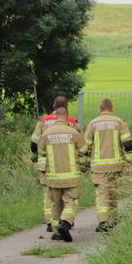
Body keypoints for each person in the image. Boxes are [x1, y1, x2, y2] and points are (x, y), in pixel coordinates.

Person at [81, 98, 132, 232]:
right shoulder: (119, 122)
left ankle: (103, 221)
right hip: (116, 165)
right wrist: (129, 163)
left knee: (102, 193)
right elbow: (128, 144)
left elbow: (84, 146)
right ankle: (114, 218)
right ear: (112, 108)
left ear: (100, 109)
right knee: (113, 192)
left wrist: (84, 163)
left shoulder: (93, 123)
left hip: (99, 167)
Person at [36, 101, 86, 242]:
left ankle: (57, 232)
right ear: (66, 116)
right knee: (70, 202)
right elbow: (83, 151)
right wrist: (84, 167)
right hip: (71, 176)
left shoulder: (46, 133)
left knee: (55, 203)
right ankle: (65, 222)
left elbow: (39, 151)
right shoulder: (74, 132)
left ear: (55, 116)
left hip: (52, 177)